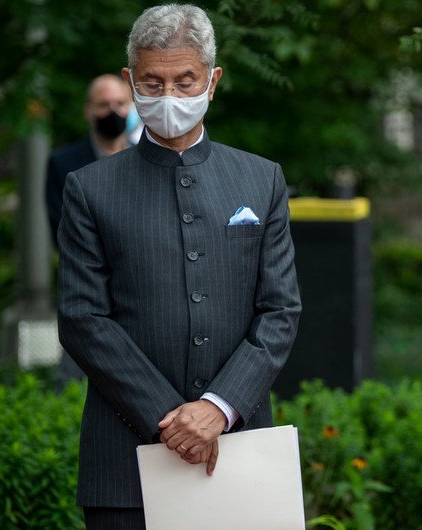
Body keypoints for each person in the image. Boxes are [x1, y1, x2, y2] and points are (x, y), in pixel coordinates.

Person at [56, 5, 301, 529]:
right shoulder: (89, 188)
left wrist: (219, 406)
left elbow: (280, 309)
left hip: (242, 453)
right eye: (152, 82)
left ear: (212, 81)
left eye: (184, 81)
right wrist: (170, 420)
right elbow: (82, 317)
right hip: (125, 461)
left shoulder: (261, 180)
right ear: (130, 81)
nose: (168, 97)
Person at [45, 74, 136, 246]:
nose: (113, 111)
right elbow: (61, 229)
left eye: (120, 104)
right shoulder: (62, 163)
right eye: (103, 105)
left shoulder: (147, 157)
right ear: (88, 110)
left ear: (131, 107)